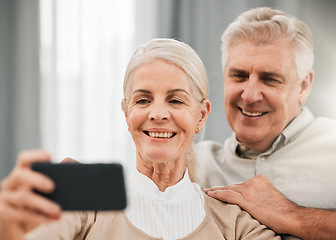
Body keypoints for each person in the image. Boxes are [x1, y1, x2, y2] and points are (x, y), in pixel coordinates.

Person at [0, 38, 280, 240]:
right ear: (126, 112)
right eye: (143, 100)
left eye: (176, 100)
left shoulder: (237, 225)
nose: (157, 114)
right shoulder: (83, 202)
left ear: (201, 115)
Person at [195, 6, 336, 240]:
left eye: (270, 79)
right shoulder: (194, 166)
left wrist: (292, 214)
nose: (250, 96)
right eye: (238, 76)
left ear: (304, 85)